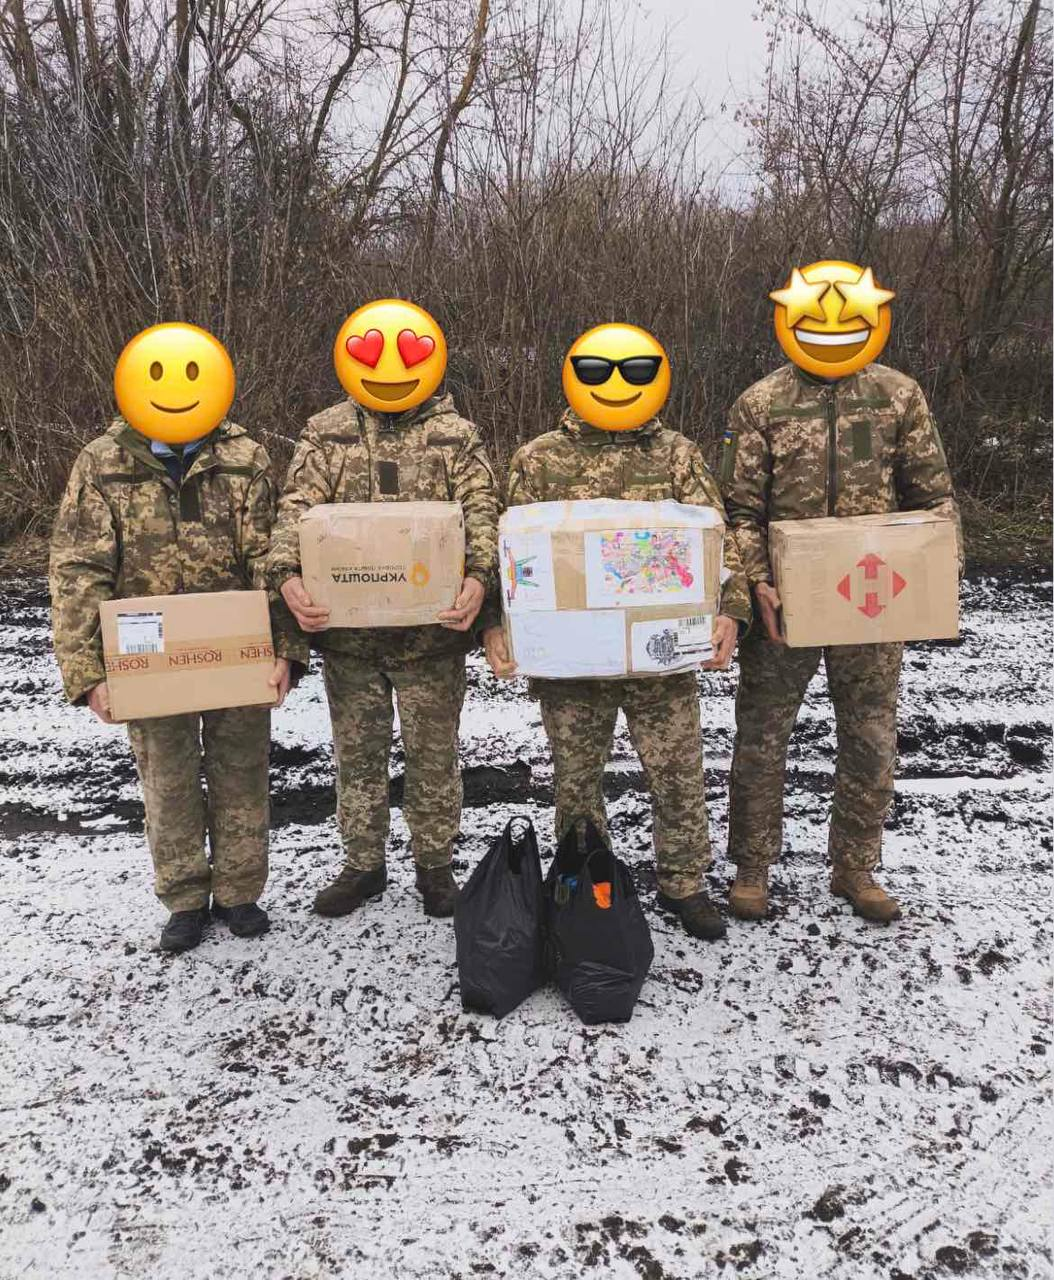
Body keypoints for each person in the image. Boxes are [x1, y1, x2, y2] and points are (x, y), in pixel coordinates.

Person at [482, 322, 752, 941]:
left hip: (661, 657)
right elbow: (506, 551)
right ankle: (585, 883)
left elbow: (718, 540)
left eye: (633, 372)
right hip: (572, 663)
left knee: (677, 772)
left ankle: (683, 883)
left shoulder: (677, 455)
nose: (615, 384)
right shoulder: (538, 459)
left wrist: (731, 611)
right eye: (597, 372)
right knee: (576, 781)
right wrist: (494, 622)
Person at [721, 267, 962, 924]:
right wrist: (756, 582)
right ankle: (753, 864)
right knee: (763, 735)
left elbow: (933, 499)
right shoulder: (761, 404)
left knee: (870, 736)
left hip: (873, 598)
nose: (831, 334)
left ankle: (856, 866)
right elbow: (739, 510)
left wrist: (936, 579)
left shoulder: (897, 396)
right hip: (785, 605)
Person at [49, 323, 298, 954]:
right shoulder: (102, 462)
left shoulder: (245, 458)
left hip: (237, 652)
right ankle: (185, 897)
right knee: (167, 779)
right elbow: (78, 568)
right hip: (146, 660)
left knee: (242, 770)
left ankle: (240, 891)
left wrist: (286, 650)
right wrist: (87, 673)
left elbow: (273, 558)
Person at [267, 300, 499, 920]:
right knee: (357, 757)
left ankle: (435, 866)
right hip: (352, 641)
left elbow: (482, 510)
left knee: (435, 757)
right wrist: (287, 575)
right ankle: (363, 865)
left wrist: (479, 578)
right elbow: (295, 508)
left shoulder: (456, 436)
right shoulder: (326, 432)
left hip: (432, 639)